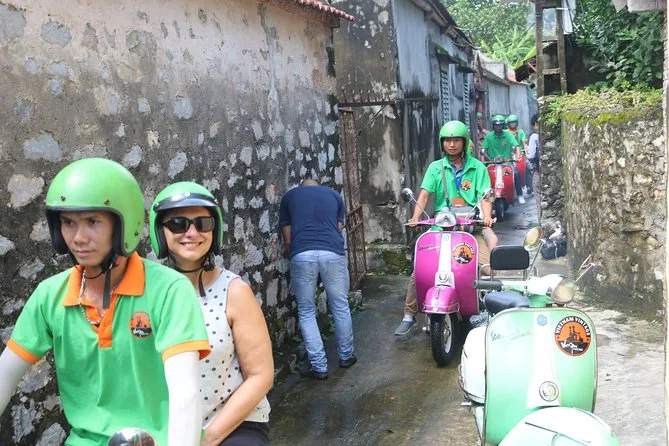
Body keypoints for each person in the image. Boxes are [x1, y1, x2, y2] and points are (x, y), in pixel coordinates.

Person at [0, 158, 211, 445]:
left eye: (92, 222)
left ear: (124, 224)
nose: (78, 238)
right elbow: (6, 373)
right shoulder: (50, 295)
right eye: (68, 223)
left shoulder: (170, 291)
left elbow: (185, 393)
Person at [149, 182, 273, 446]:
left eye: (203, 224)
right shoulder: (148, 294)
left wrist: (207, 438)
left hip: (230, 424)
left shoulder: (234, 292)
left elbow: (260, 376)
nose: (192, 233)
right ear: (160, 231)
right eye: (178, 224)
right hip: (165, 427)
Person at [395, 121, 498, 336]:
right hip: (441, 228)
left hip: (470, 229)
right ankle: (409, 315)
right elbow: (424, 195)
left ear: (464, 142)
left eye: (456, 140)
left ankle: (489, 308)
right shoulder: (436, 168)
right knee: (420, 269)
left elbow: (486, 196)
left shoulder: (478, 168)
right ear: (442, 143)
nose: (452, 145)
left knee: (488, 268)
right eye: (447, 141)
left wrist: (487, 216)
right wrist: (415, 217)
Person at [279, 179, 356, 380]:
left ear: (301, 188)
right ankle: (346, 356)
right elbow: (339, 226)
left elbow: (287, 232)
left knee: (306, 310)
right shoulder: (334, 195)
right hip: (332, 252)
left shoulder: (290, 197)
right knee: (340, 305)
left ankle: (319, 367)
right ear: (319, 186)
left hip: (302, 253)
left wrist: (289, 248)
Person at [481, 114, 525, 205]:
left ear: (503, 125)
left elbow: (516, 146)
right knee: (483, 175)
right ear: (493, 125)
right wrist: (482, 160)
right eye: (496, 125)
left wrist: (518, 156)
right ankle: (483, 196)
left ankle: (520, 194)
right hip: (492, 163)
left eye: (500, 125)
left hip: (507, 162)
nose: (498, 127)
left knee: (516, 173)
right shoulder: (489, 137)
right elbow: (483, 150)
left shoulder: (508, 136)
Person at [527, 114, 541, 219]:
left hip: (538, 170)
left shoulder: (534, 137)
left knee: (538, 196)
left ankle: (541, 220)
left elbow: (531, 156)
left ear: (536, 124)